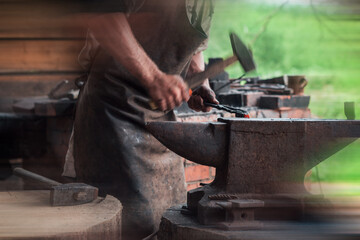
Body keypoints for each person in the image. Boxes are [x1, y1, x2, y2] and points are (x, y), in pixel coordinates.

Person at [62, 0, 218, 239]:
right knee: (127, 225)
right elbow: (103, 17)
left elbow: (196, 47)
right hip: (113, 113)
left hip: (161, 122)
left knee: (170, 220)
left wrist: (199, 80)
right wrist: (154, 77)